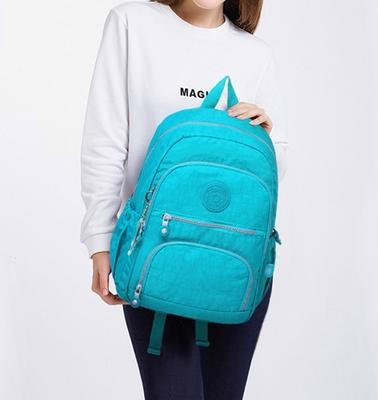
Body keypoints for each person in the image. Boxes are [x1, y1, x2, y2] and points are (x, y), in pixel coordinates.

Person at [80, 0, 289, 398]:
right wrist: (99, 241)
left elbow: (272, 171)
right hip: (154, 254)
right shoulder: (132, 24)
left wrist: (261, 132)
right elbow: (105, 143)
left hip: (236, 261)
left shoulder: (255, 54)